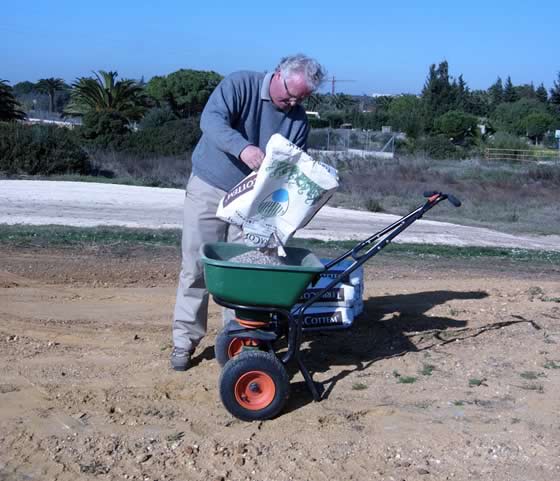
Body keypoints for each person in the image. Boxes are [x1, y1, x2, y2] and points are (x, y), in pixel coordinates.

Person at [171, 54, 326, 371]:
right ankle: (183, 343)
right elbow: (211, 121)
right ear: (279, 73)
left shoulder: (298, 120)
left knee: (243, 277)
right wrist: (243, 147)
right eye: (290, 94)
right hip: (210, 186)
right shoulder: (241, 83)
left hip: (254, 204)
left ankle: (238, 342)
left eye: (301, 98)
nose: (292, 102)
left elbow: (288, 170)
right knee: (196, 268)